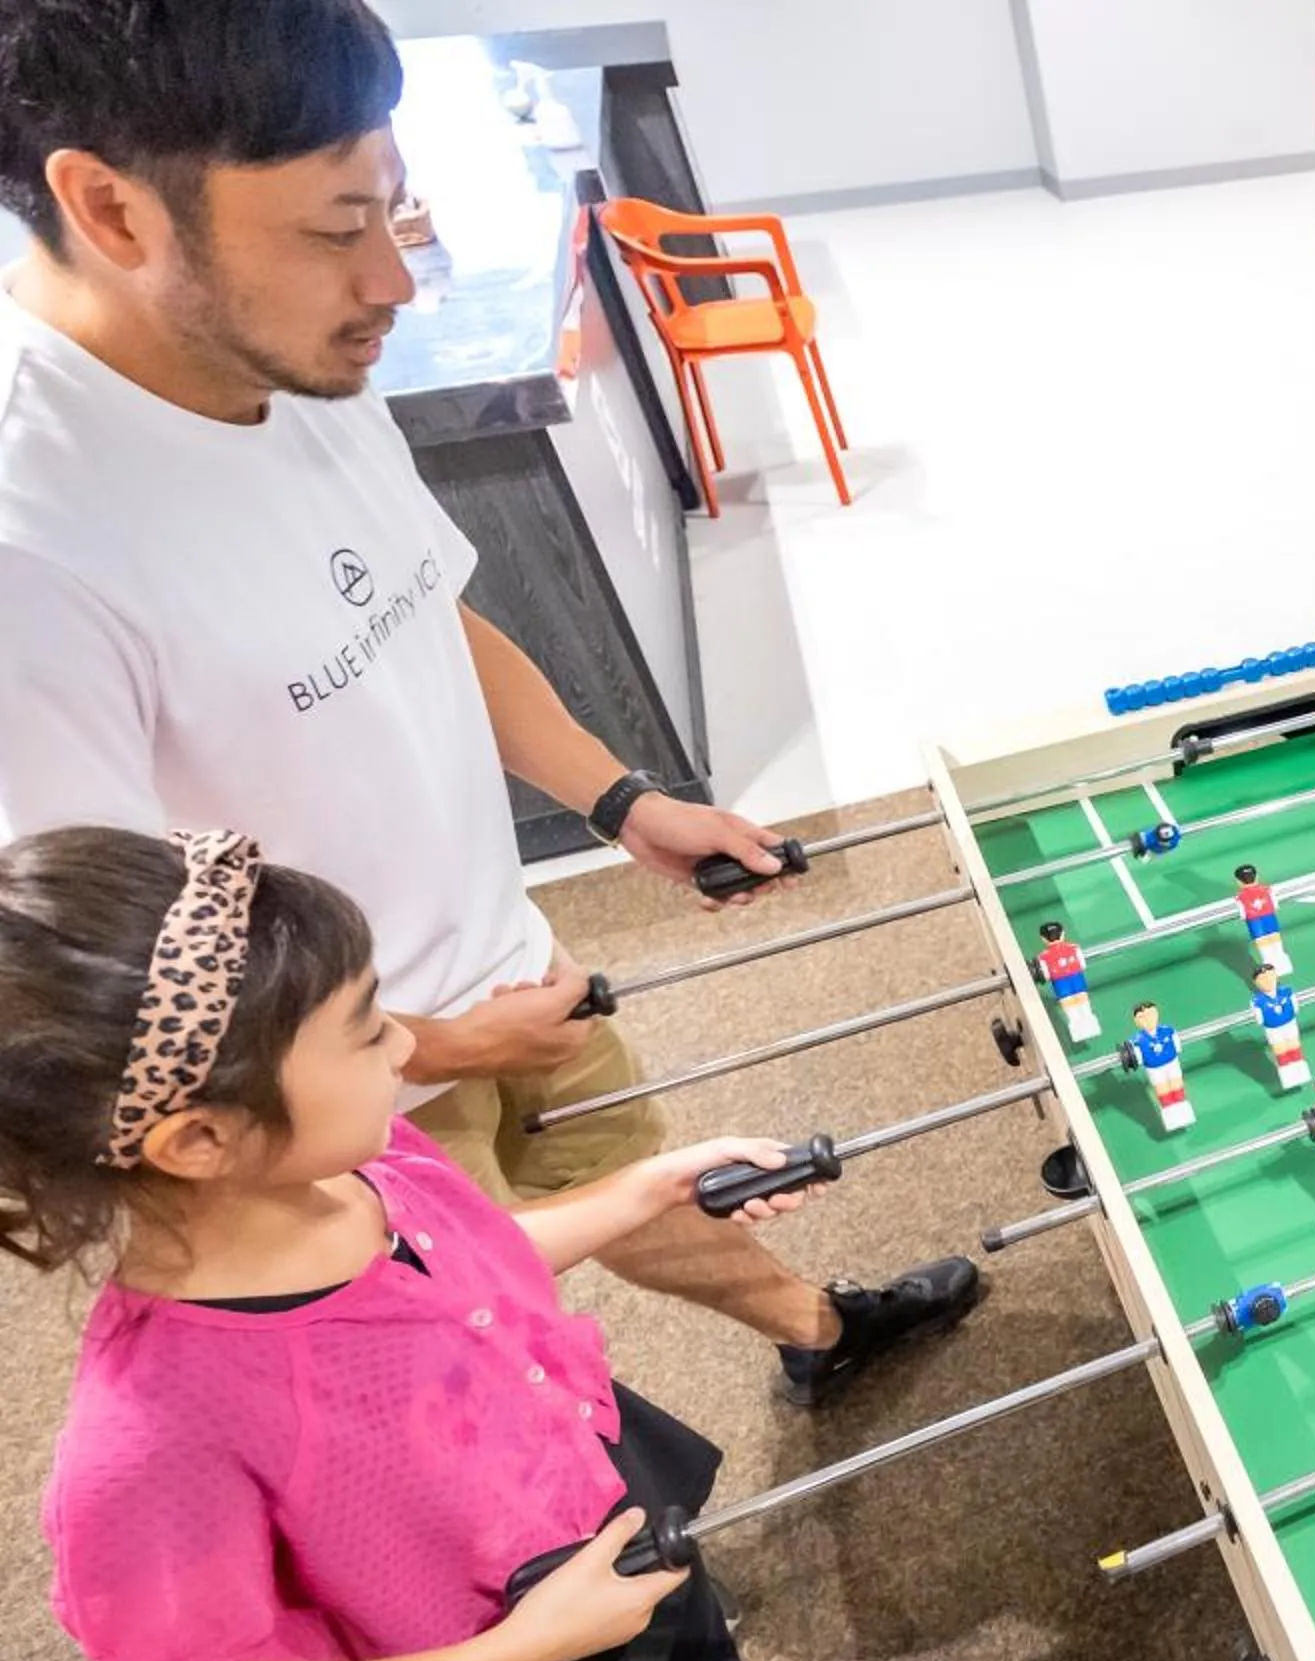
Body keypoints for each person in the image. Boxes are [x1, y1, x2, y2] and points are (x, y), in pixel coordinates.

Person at [0, 0, 975, 1404]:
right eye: (338, 226)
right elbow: (95, 997)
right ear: (111, 208)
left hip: (510, 970)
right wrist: (437, 1047)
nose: (393, 282)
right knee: (460, 1379)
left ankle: (819, 1331)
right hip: (315, 1111)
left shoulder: (294, 352)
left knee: (635, 1183)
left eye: (393, 209)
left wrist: (619, 799)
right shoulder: (35, 545)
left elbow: (426, 612)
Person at [2, 826, 955, 1661]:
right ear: (201, 1138)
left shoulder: (354, 1165)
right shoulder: (152, 1432)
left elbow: (475, 1259)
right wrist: (520, 1646)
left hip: (601, 1503)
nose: (409, 1045)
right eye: (368, 1028)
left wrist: (643, 1188)